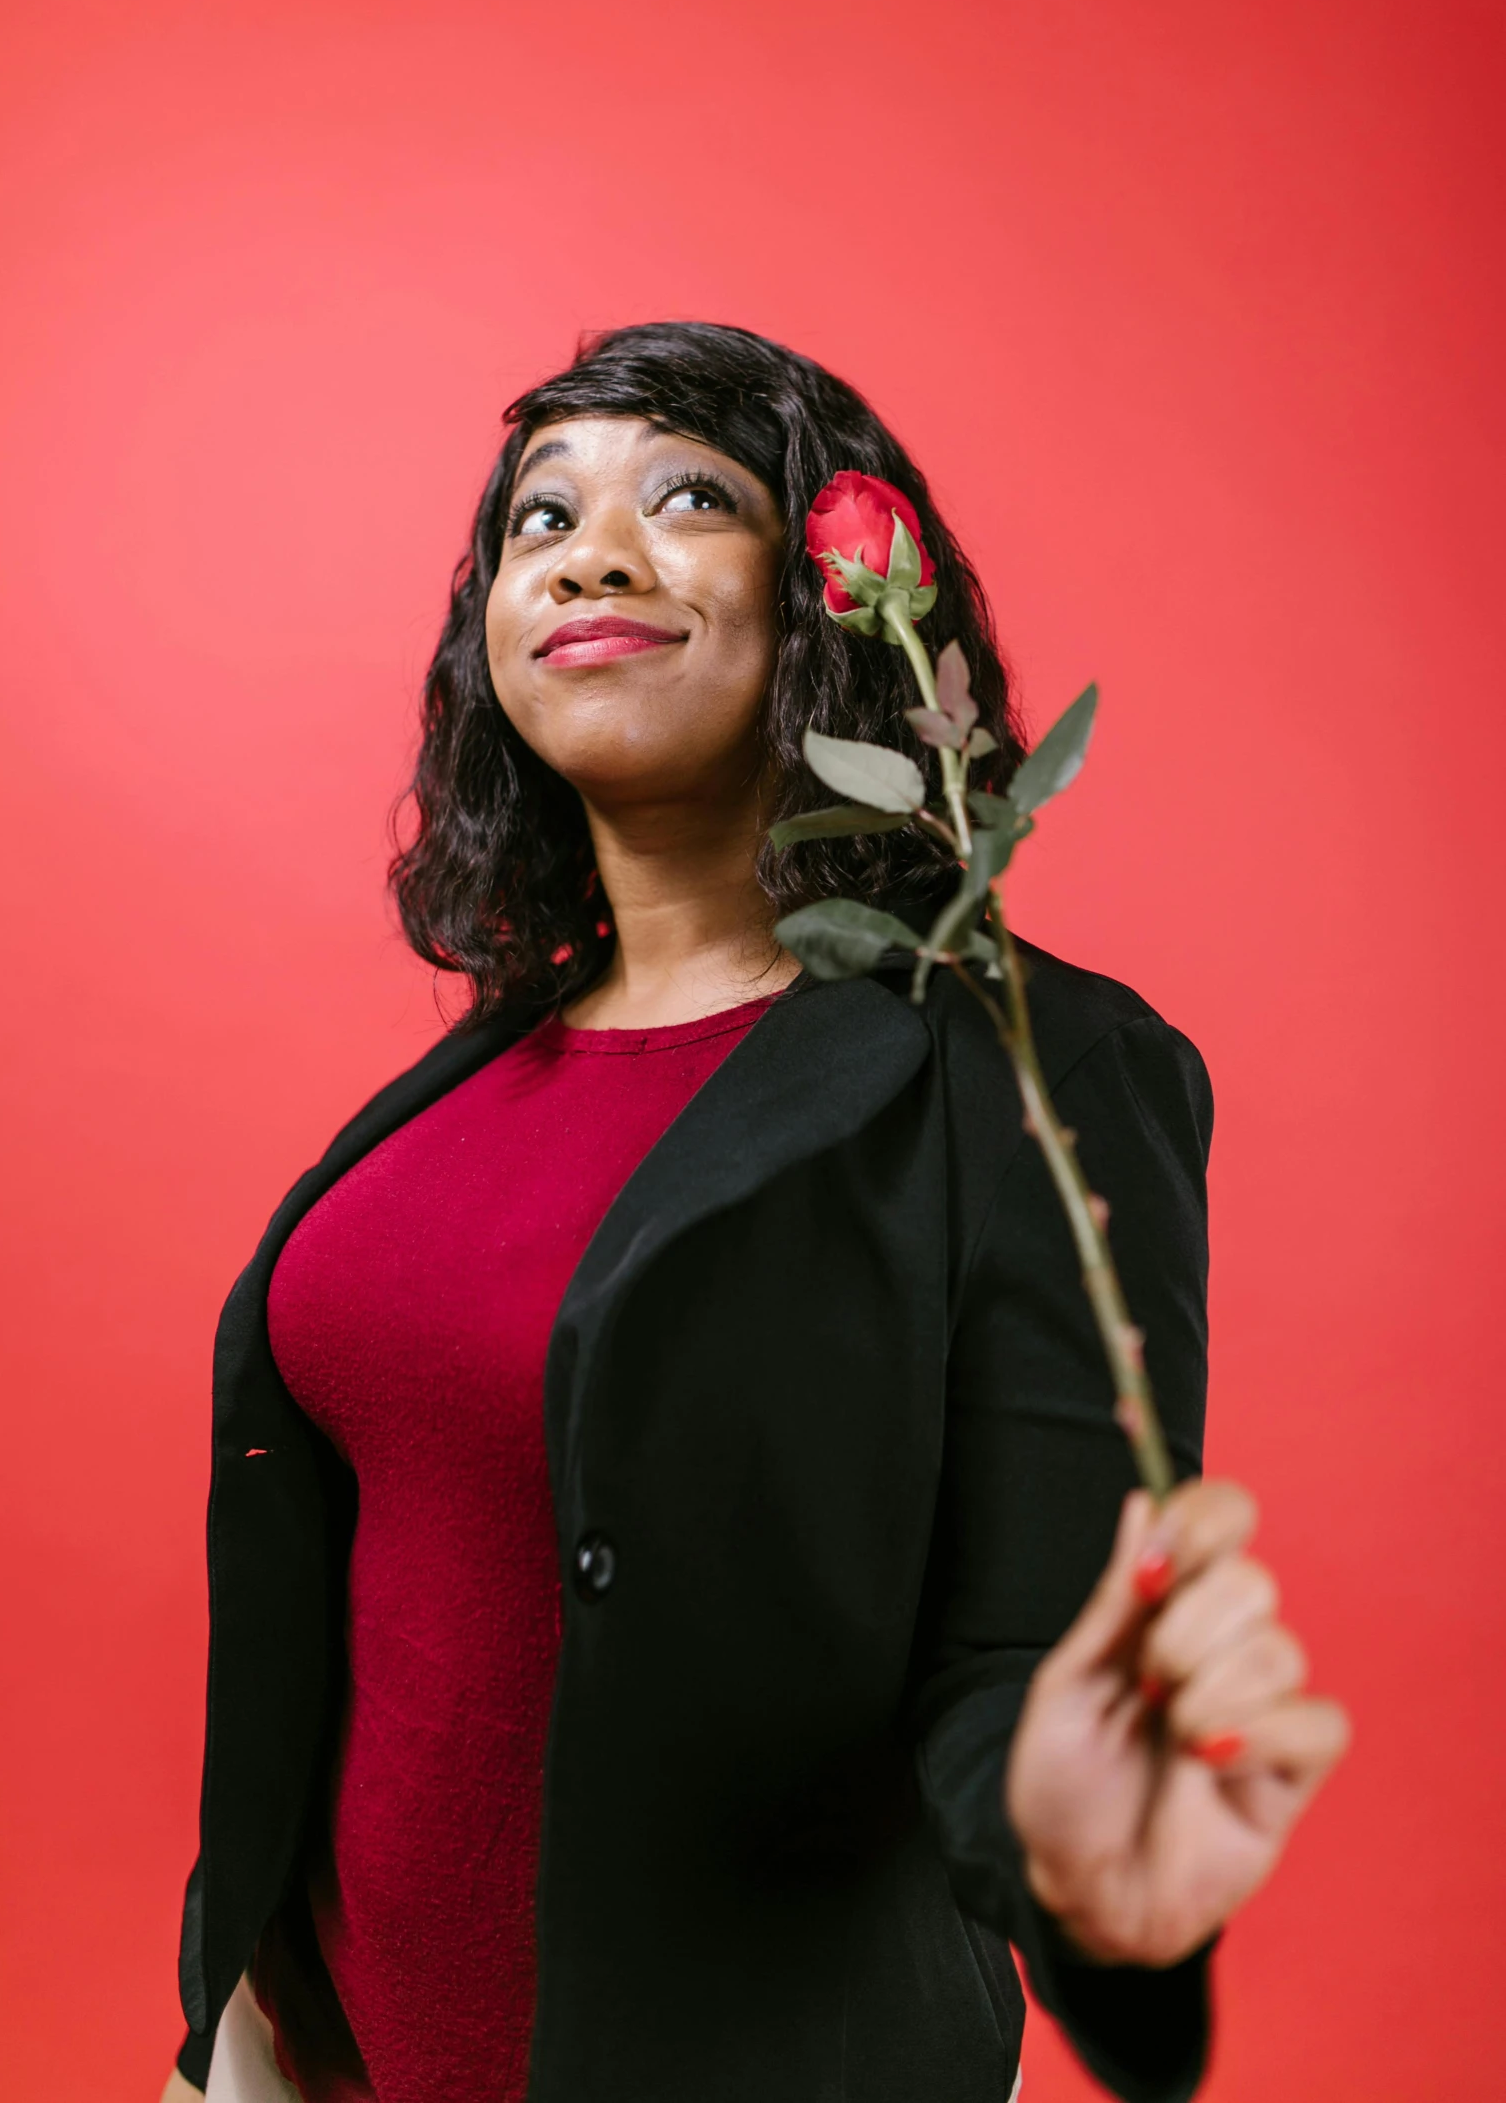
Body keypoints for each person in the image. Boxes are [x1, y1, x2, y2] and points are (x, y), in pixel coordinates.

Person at [162, 321, 1347, 2103]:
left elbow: (1024, 1661)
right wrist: (231, 2026)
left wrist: (1086, 1858)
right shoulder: (466, 1082)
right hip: (309, 2056)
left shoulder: (1023, 1068)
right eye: (536, 518)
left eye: (689, 496)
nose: (592, 550)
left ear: (830, 606)